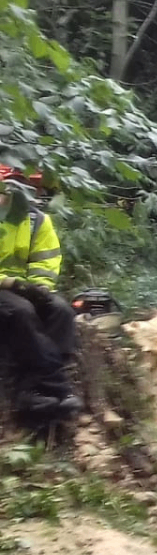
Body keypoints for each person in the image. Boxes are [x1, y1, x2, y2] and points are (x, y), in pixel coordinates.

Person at [0, 167, 80, 424]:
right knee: (21, 312)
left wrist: (40, 289)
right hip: (7, 289)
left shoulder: (37, 220)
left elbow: (45, 262)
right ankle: (58, 388)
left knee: (61, 311)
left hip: (20, 288)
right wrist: (11, 284)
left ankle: (33, 391)